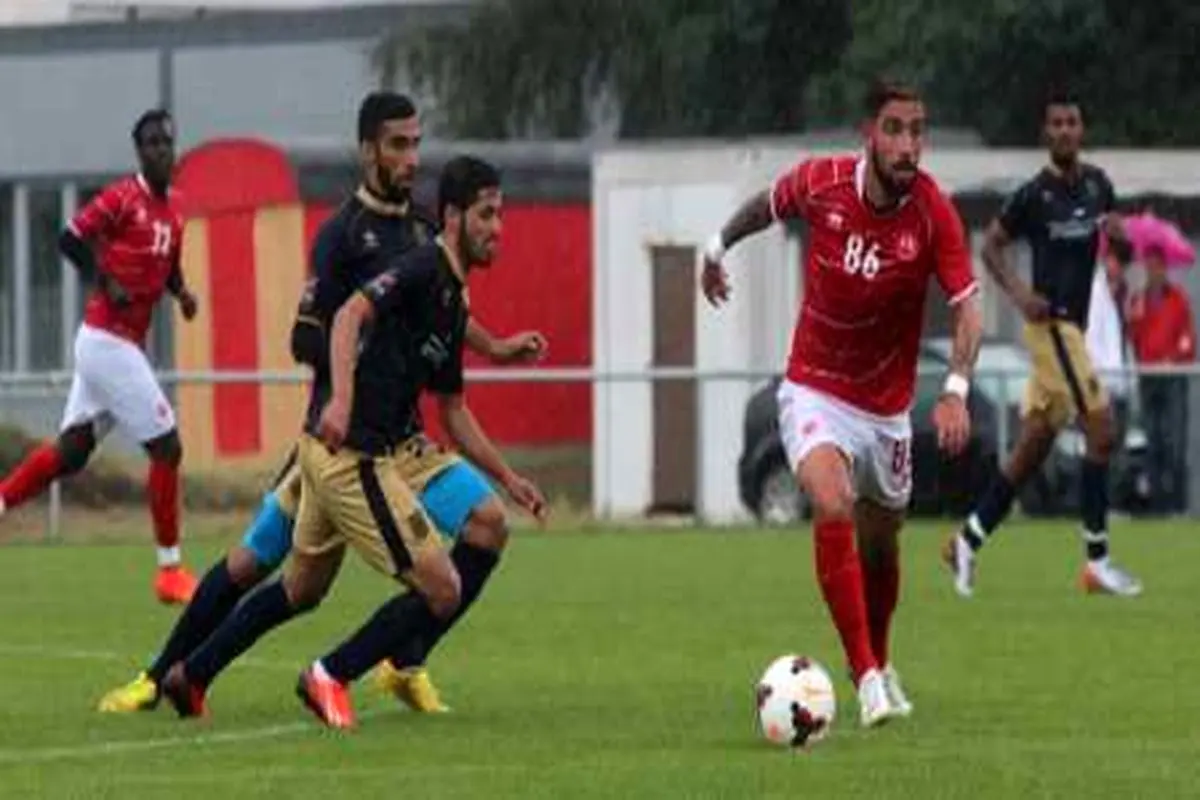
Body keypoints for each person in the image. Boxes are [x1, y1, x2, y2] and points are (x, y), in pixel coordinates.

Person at [97, 94, 545, 715]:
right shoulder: (342, 236)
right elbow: (308, 336)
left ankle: (406, 661)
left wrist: (491, 346)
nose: (411, 159)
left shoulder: (425, 229)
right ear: (368, 151)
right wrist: (359, 360)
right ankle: (160, 676)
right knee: (258, 565)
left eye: (416, 145)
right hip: (340, 434)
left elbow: (439, 307)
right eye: (397, 145)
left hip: (403, 439)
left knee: (488, 525)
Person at [701, 79, 982, 728]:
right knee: (832, 503)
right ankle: (865, 678)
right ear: (869, 135)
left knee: (881, 546)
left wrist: (956, 390)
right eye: (894, 129)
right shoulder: (822, 183)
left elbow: (968, 307)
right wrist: (717, 248)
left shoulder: (933, 212)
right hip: (814, 388)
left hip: (886, 411)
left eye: (917, 131)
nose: (907, 144)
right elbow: (766, 206)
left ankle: (881, 660)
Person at [944, 91, 1142, 598]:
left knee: (1032, 447)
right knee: (1102, 430)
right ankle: (1097, 561)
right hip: (1051, 326)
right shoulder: (1033, 195)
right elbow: (991, 247)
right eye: (1056, 123)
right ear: (1045, 133)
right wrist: (1019, 293)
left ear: (1082, 130)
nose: (1065, 131)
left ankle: (966, 541)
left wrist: (1120, 239)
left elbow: (1121, 245)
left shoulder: (1099, 186)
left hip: (1073, 329)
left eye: (1072, 122)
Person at [0, 109, 200, 604]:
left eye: (166, 142)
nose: (161, 150)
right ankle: (170, 571)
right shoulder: (122, 197)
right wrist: (103, 279)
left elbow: (168, 266)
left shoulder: (175, 211)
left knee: (71, 453)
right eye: (151, 143)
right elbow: (70, 236)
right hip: (107, 341)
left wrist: (182, 293)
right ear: (139, 152)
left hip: (117, 346)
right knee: (167, 448)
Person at [1126, 245, 1196, 514]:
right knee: (1152, 441)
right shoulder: (1139, 300)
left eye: (1157, 267)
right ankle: (1156, 506)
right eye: (1149, 267)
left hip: (1173, 378)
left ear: (1165, 269)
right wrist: (1135, 316)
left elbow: (1188, 340)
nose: (1153, 272)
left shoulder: (1178, 299)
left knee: (1174, 442)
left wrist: (1174, 358)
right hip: (1149, 377)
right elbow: (1134, 337)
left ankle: (1178, 505)